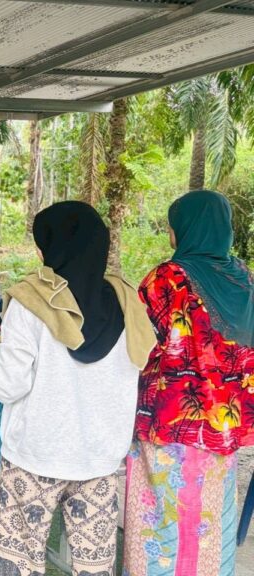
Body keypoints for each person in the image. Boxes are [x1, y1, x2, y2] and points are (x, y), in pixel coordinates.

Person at [0, 202, 155, 576]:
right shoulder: (128, 302)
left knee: (20, 559)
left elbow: (10, 385)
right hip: (100, 458)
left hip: (35, 456)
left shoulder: (30, 302)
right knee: (95, 563)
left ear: (51, 247)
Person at [123, 190, 254, 576]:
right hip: (225, 426)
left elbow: (137, 344)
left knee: (160, 514)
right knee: (210, 515)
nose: (170, 235)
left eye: (172, 227)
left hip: (170, 421)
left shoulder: (166, 279)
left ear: (186, 229)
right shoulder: (244, 279)